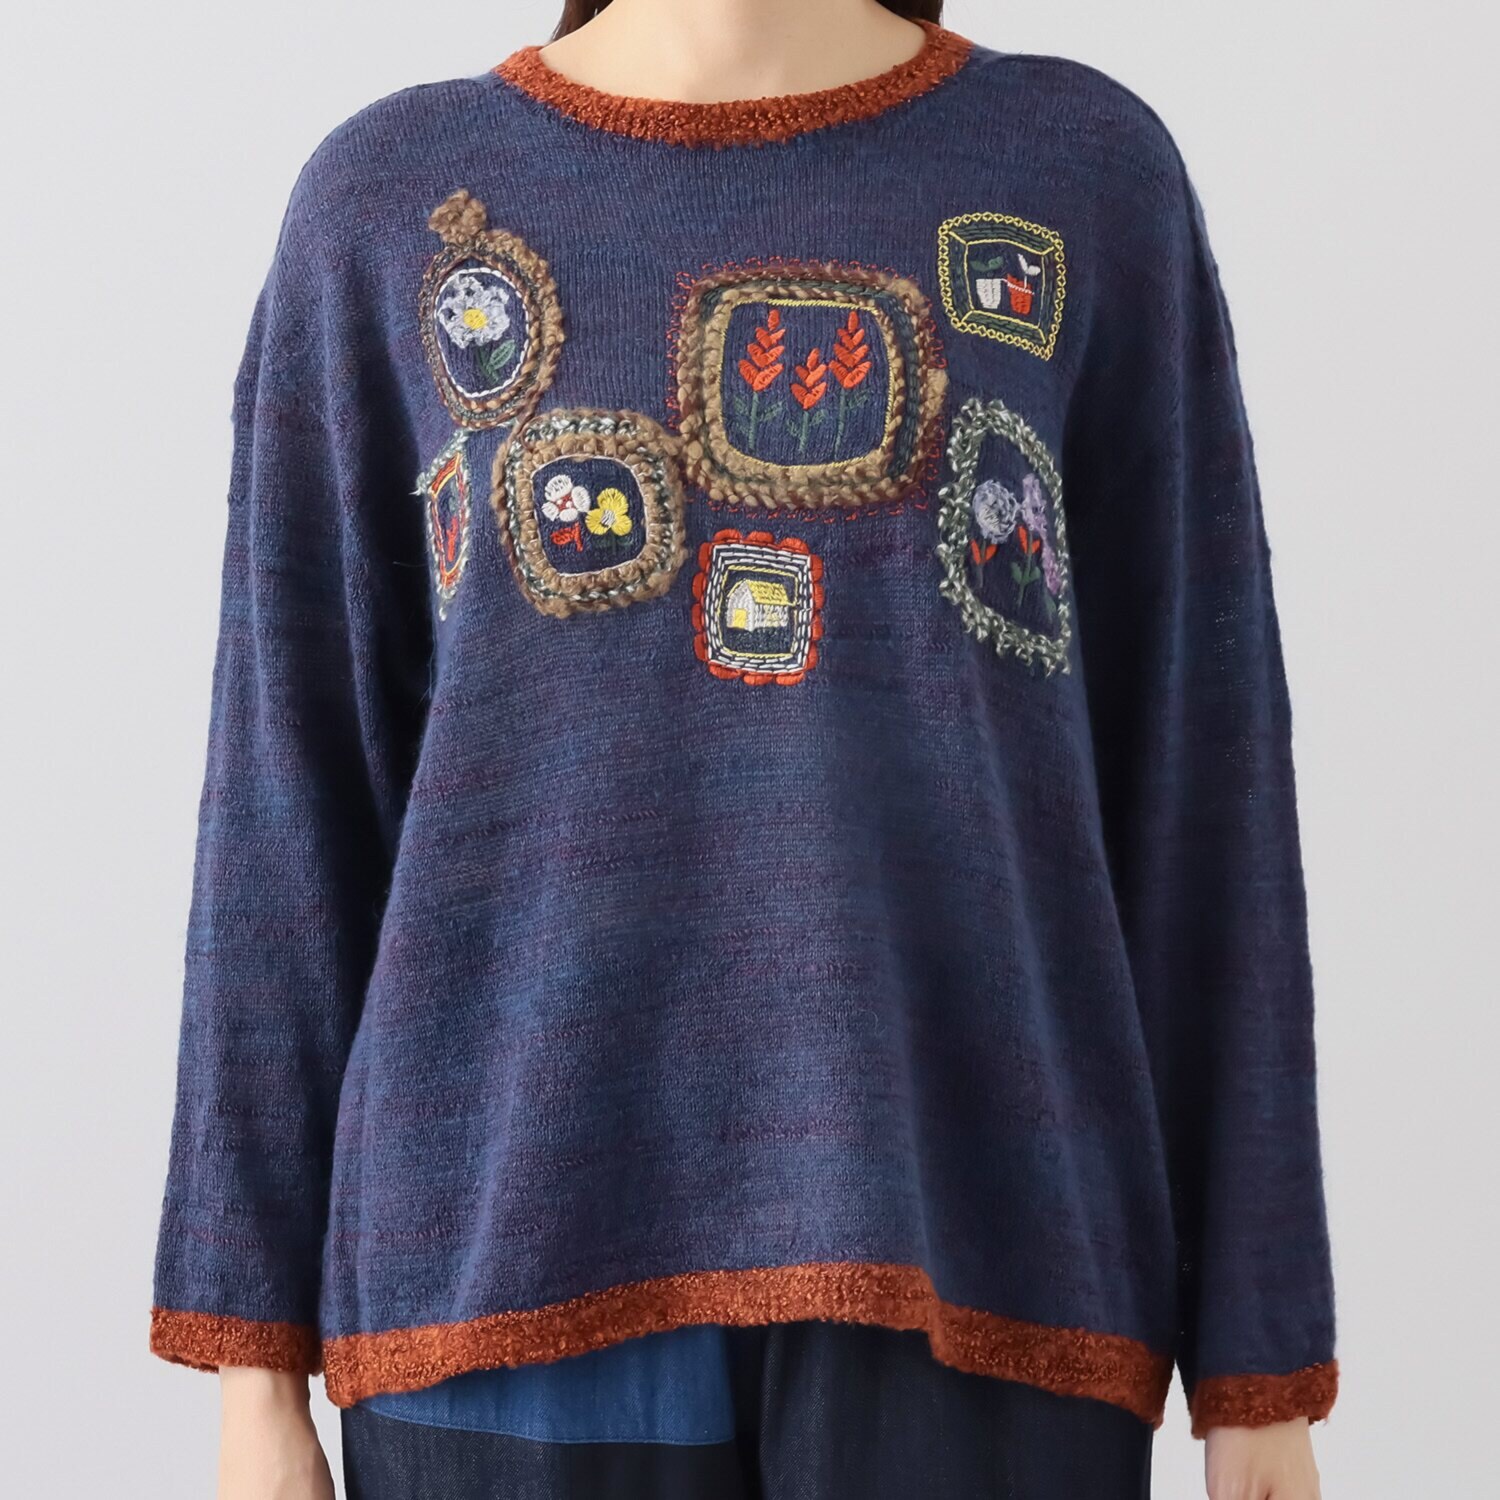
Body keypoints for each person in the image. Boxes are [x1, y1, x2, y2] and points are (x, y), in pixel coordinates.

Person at [149, 1, 1337, 1496]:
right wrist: (252, 1370)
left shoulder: (1081, 176)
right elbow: (288, 797)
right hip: (502, 1270)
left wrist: (1258, 1368)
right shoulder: (387, 205)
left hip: (983, 1253)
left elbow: (1203, 779)